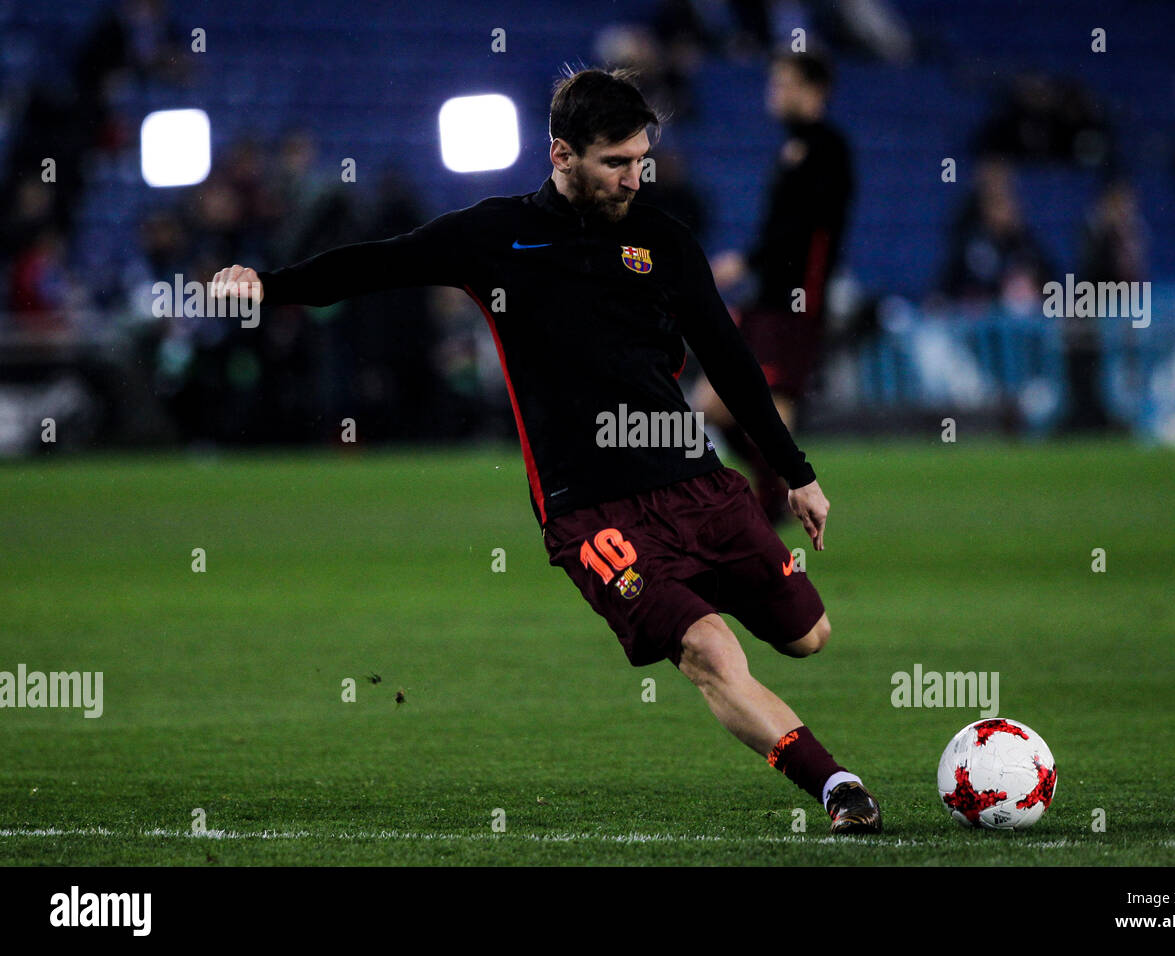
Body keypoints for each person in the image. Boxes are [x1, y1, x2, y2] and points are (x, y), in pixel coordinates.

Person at [210, 68, 881, 834]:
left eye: (641, 160)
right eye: (615, 163)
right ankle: (838, 788)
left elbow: (728, 359)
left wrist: (796, 474)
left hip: (694, 484)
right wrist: (268, 285)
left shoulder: (663, 241)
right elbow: (378, 263)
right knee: (708, 652)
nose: (634, 178)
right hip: (588, 509)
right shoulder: (496, 237)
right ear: (562, 153)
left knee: (808, 635)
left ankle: (699, 588)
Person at [692, 51, 853, 525]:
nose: (774, 94)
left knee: (773, 399)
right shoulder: (793, 148)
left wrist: (746, 261)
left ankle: (779, 495)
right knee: (711, 405)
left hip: (796, 301)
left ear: (813, 90)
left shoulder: (828, 148)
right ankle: (773, 486)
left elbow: (807, 229)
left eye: (784, 84)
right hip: (766, 298)